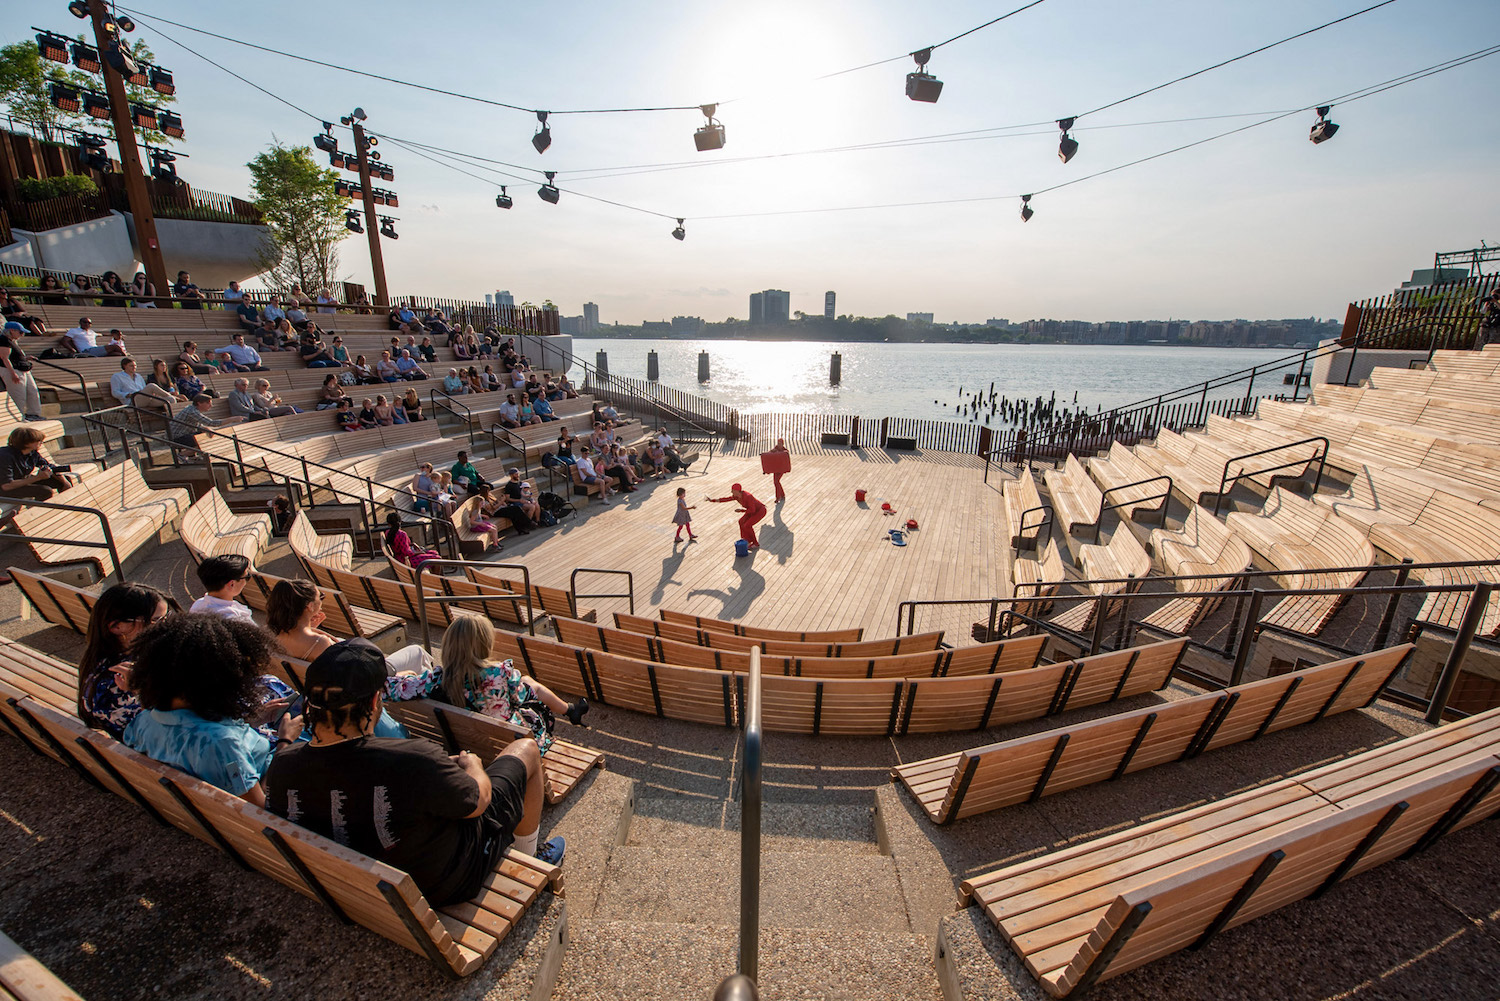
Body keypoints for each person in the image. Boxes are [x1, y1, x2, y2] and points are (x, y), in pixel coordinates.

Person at [264, 638, 564, 906]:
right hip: (444, 882)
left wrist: (286, 740)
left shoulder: (282, 766)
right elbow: (478, 803)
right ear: (374, 701)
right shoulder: (413, 759)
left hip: (351, 882)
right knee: (526, 750)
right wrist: (474, 767)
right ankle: (530, 858)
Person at [122, 613, 302, 804]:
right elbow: (258, 807)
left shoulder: (144, 722)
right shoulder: (222, 745)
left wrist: (248, 721)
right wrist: (285, 742)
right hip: (283, 785)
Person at [442, 613, 588, 751]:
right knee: (531, 687)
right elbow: (518, 698)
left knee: (525, 681)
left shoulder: (436, 678)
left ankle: (571, 710)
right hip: (511, 744)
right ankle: (570, 710)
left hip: (466, 740)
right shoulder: (499, 673)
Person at [267, 579, 437, 686]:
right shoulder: (318, 643)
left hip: (320, 684)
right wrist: (398, 676)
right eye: (321, 597)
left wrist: (312, 628)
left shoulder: (278, 635)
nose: (322, 600)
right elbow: (351, 678)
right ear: (310, 607)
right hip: (370, 676)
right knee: (417, 652)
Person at [77, 583, 176, 739]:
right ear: (117, 627)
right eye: (155, 621)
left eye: (166, 617)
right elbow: (160, 735)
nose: (165, 626)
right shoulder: (114, 683)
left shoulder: (118, 654)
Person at [0, 426, 76, 500]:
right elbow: (6, 485)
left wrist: (65, 482)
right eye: (38, 440)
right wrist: (38, 477)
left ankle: (64, 506)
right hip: (5, 489)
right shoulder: (5, 456)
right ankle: (38, 511)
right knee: (45, 491)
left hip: (21, 480)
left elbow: (49, 466)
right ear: (26, 443)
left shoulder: (32, 453)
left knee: (63, 480)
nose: (41, 442)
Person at [189, 554, 256, 623]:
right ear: (232, 584)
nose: (246, 582)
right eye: (247, 576)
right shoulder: (237, 618)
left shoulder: (197, 605)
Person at [170, 394, 243, 452]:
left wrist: (207, 428)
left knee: (208, 435)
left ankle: (191, 457)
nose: (211, 406)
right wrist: (232, 419)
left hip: (183, 434)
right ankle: (183, 455)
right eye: (208, 403)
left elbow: (199, 425)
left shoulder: (192, 409)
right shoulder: (192, 411)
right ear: (199, 403)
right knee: (206, 439)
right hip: (177, 437)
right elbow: (212, 423)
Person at [1, 327, 44, 422]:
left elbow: (14, 356)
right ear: (12, 330)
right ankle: (18, 417)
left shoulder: (12, 341)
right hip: (14, 371)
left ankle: (33, 414)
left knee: (32, 392)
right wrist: (13, 374)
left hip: (23, 369)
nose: (22, 335)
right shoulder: (3, 340)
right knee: (18, 395)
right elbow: (4, 358)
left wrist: (25, 358)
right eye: (20, 332)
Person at [707, 482, 766, 550]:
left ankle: (755, 543)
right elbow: (727, 499)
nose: (731, 492)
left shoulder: (747, 496)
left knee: (747, 525)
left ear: (737, 491)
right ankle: (746, 539)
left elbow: (752, 510)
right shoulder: (737, 496)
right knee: (741, 521)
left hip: (760, 511)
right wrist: (713, 500)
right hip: (751, 511)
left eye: (733, 490)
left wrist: (741, 510)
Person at [110, 357, 184, 408]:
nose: (134, 368)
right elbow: (115, 392)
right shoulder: (117, 377)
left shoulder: (138, 376)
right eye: (131, 366)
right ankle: (173, 396)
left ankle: (172, 420)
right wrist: (127, 395)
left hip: (146, 398)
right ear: (124, 366)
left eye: (135, 366)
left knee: (171, 400)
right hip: (132, 400)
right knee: (151, 386)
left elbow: (144, 389)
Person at [465, 486, 502, 550]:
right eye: (482, 503)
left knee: (494, 526)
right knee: (493, 530)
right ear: (477, 503)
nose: (483, 504)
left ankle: (496, 542)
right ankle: (495, 545)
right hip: (476, 527)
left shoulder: (478, 509)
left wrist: (483, 516)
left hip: (480, 524)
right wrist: (480, 524)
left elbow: (478, 515)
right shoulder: (475, 511)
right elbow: (471, 521)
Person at [768, 437, 790, 503]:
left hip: (781, 469)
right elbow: (770, 453)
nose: (779, 444)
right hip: (776, 468)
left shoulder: (785, 450)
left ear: (782, 444)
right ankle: (782, 495)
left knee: (776, 481)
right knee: (776, 482)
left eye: (780, 443)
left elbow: (786, 454)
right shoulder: (775, 448)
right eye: (778, 443)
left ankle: (778, 497)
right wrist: (772, 451)